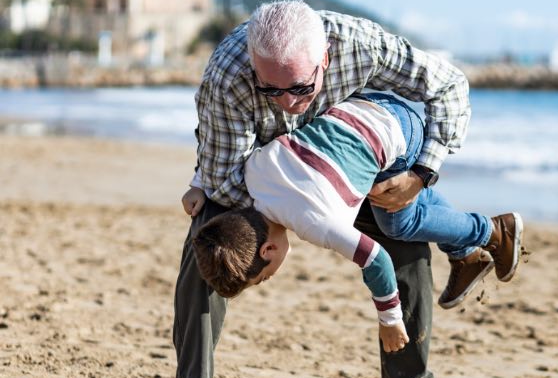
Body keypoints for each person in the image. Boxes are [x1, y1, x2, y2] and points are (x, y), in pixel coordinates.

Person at [173, 0, 486, 378]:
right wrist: (289, 213)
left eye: (302, 87)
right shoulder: (227, 77)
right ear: (253, 65)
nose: (288, 102)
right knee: (215, 246)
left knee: (403, 238)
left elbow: (449, 86)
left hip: (356, 152)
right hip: (261, 167)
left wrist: (421, 175)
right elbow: (225, 180)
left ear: (325, 58)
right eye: (270, 90)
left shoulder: (361, 45)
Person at [183, 92, 524, 353]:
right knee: (382, 197)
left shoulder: (315, 222)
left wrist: (389, 320)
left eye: (263, 278)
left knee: (396, 220)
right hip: (365, 105)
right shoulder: (253, 177)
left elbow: (377, 260)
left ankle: (493, 232)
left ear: (269, 249)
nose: (268, 280)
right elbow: (221, 158)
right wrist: (199, 184)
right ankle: (465, 252)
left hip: (401, 134)